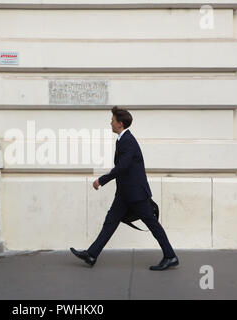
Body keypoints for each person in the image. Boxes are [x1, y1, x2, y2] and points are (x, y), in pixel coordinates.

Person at [70, 106, 179, 271]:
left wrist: (101, 180)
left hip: (135, 193)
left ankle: (170, 256)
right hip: (125, 193)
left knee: (152, 224)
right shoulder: (122, 139)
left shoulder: (128, 141)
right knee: (110, 222)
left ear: (120, 123)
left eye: (112, 120)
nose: (110, 123)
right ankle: (91, 254)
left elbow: (122, 167)